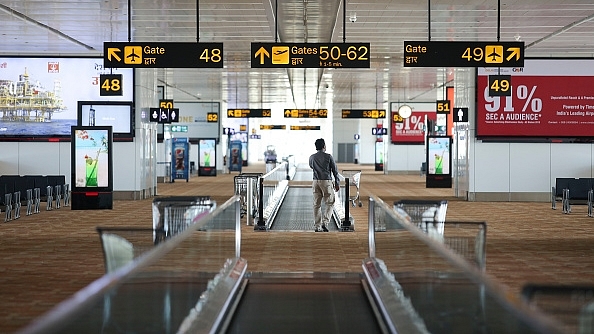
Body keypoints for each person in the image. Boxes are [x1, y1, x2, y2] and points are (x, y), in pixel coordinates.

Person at [309, 138, 340, 232]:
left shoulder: (312, 157)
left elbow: (311, 166)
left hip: (315, 181)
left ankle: (317, 226)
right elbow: (335, 170)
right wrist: (337, 183)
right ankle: (325, 223)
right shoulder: (328, 156)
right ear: (324, 146)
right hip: (326, 181)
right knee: (330, 202)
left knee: (316, 204)